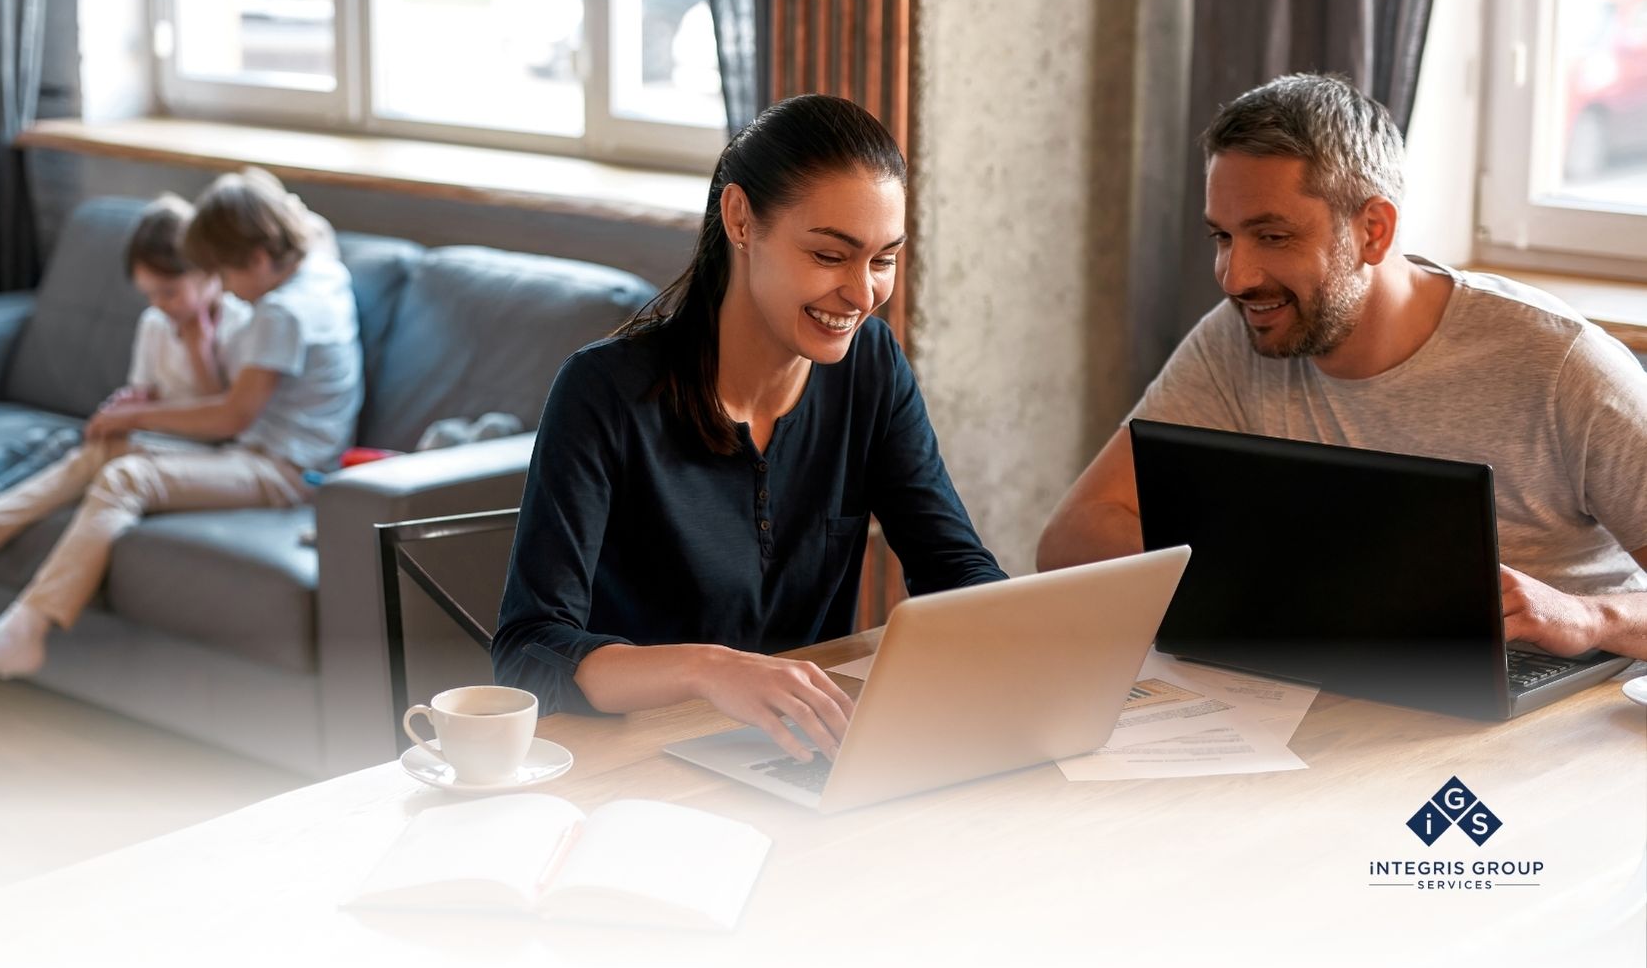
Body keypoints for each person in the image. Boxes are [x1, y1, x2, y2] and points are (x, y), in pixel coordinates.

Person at [1036, 72, 1647, 661]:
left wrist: (1586, 616)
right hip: (1333, 687)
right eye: (1222, 237)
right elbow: (1072, 540)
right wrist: (1301, 589)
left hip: (1547, 723)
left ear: (1373, 232)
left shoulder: (1562, 363)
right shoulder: (1240, 335)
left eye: (1272, 237)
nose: (1235, 277)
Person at [492, 94, 1007, 763]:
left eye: (882, 260)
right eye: (829, 255)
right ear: (740, 219)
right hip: (634, 766)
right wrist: (711, 669)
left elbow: (952, 568)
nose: (862, 293)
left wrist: (1030, 640)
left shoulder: (871, 369)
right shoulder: (603, 393)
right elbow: (529, 650)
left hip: (801, 757)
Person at [0, 168, 362, 681]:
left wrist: (135, 413)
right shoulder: (319, 259)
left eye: (226, 276)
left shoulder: (283, 312)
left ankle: (26, 628)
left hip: (286, 470)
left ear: (258, 259)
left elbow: (233, 414)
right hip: (263, 453)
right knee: (108, 449)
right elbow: (297, 213)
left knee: (127, 476)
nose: (227, 291)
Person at [0, 193, 252, 564]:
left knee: (70, 445)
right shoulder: (155, 323)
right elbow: (144, 388)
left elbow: (225, 419)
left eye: (170, 293)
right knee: (46, 439)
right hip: (151, 432)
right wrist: (126, 403)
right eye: (149, 295)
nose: (160, 305)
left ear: (209, 275)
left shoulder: (237, 326)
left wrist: (201, 351)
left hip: (194, 450)